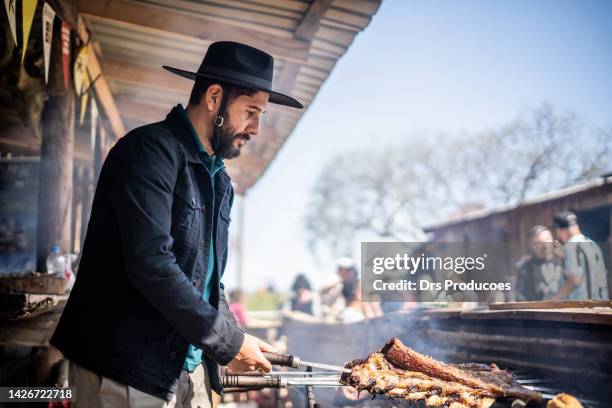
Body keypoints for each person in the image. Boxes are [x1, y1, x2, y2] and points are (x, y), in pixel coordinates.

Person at [50, 42, 303, 408]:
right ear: (214, 97)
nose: (256, 128)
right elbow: (152, 264)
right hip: (127, 370)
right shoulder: (148, 152)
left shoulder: (220, 182)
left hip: (189, 374)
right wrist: (228, 343)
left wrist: (233, 337)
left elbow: (208, 280)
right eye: (250, 111)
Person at [551, 211, 609, 300]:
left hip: (583, 308)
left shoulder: (571, 246)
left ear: (559, 230)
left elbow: (574, 279)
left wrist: (554, 299)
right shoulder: (593, 244)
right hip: (602, 304)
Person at [515, 225, 563, 301]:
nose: (546, 245)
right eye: (540, 242)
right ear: (531, 245)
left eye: (548, 239)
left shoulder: (562, 261)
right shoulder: (525, 269)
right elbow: (519, 295)